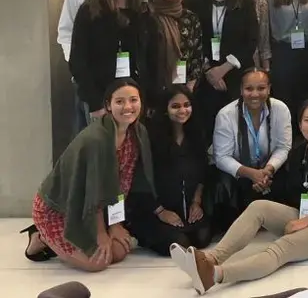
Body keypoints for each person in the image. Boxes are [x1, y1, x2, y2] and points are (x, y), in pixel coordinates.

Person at [171, 98, 308, 294]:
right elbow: (293, 190)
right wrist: (266, 185)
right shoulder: (299, 152)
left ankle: (214, 275)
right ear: (299, 124)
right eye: (307, 120)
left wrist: (305, 222)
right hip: (304, 215)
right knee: (258, 207)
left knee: (281, 247)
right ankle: (210, 259)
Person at [23, 79, 155, 271]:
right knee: (97, 264)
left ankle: (70, 240)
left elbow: (122, 185)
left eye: (133, 100)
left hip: (94, 208)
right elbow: (92, 191)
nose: (128, 107)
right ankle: (41, 236)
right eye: (119, 102)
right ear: (108, 105)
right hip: (61, 208)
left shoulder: (137, 133)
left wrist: (116, 224)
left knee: (118, 251)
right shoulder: (97, 139)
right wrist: (102, 233)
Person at [70, 0, 158, 120]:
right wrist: (95, 102)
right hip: (101, 95)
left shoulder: (144, 12)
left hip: (136, 95)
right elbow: (78, 59)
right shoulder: (90, 11)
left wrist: (151, 98)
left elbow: (153, 57)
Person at [128, 86, 213, 256]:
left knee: (202, 239)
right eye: (175, 106)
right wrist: (160, 211)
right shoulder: (151, 137)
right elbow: (141, 178)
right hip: (157, 209)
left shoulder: (196, 134)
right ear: (165, 109)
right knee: (179, 245)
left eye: (186, 105)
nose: (182, 110)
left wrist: (196, 202)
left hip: (187, 208)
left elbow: (203, 171)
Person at [211, 69, 293, 231]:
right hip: (239, 172)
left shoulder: (280, 109)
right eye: (249, 89)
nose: (255, 94)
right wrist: (252, 174)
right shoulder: (226, 115)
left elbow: (284, 147)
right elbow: (221, 157)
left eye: (261, 88)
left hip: (268, 170)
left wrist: (267, 170)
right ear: (241, 90)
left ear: (269, 89)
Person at [190, 0, 259, 131]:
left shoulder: (245, 1)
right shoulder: (196, 2)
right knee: (208, 123)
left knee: (236, 125)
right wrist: (209, 70)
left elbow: (252, 40)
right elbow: (193, 39)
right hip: (206, 74)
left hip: (236, 72)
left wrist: (224, 68)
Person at [150, 0, 204, 94]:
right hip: (154, 88)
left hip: (184, 87)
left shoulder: (190, 18)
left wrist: (189, 87)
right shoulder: (148, 16)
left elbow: (197, 53)